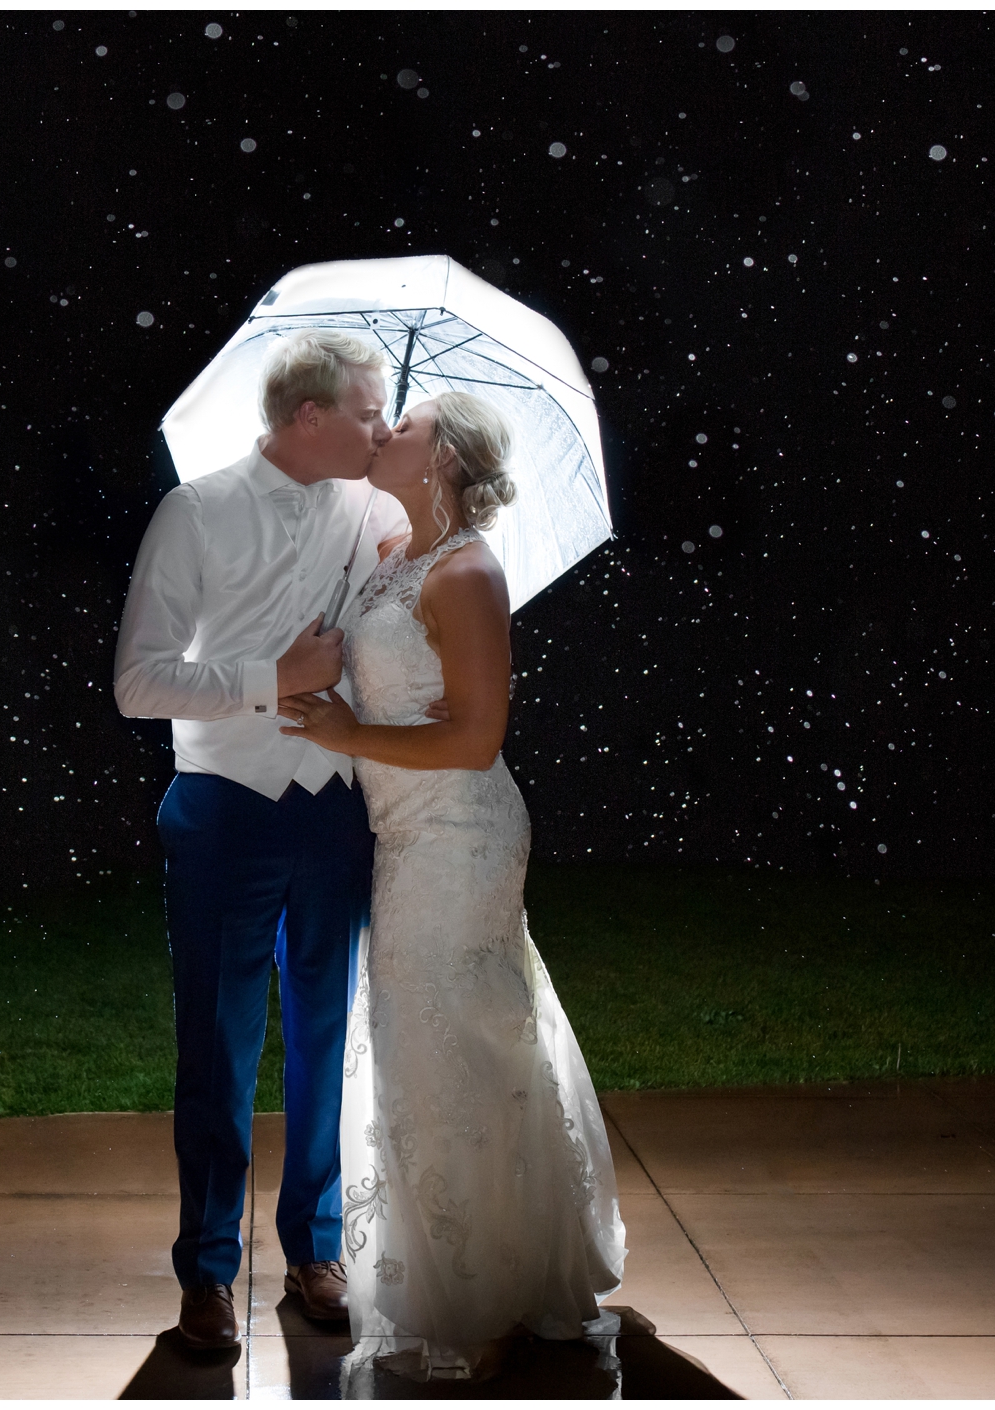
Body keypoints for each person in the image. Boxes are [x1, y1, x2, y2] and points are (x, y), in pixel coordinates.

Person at [276, 390, 627, 1385]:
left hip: (461, 837)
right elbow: (391, 689)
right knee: (439, 1040)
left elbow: (476, 738)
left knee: (454, 1046)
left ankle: (487, 1291)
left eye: (407, 427)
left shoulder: (469, 572)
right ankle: (479, 1269)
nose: (383, 431)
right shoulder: (393, 561)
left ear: (446, 462)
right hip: (403, 836)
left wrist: (348, 734)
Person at [112, 329, 415, 1350]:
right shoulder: (193, 511)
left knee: (329, 1040)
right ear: (308, 416)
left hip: (337, 810)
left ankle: (316, 1248)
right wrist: (268, 679)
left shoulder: (382, 514)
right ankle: (205, 1272)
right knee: (217, 1045)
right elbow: (137, 682)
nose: (383, 427)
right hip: (223, 810)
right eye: (369, 411)